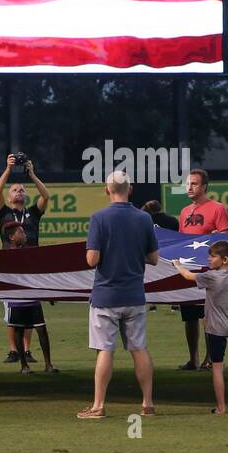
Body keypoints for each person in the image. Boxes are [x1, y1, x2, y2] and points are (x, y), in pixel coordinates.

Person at [77, 170, 159, 419]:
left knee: (105, 351)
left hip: (106, 296)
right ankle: (147, 403)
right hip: (134, 295)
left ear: (106, 189)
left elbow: (92, 259)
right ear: (130, 189)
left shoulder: (99, 218)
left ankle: (99, 405)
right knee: (139, 348)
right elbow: (153, 259)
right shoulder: (144, 218)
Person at [170, 239, 228, 414]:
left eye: (212, 256)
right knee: (217, 362)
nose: (208, 259)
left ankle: (221, 407)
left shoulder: (212, 277)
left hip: (217, 329)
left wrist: (177, 264)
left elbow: (187, 276)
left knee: (217, 367)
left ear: (224, 260)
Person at [0, 155, 51, 363]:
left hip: (31, 267)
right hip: (9, 267)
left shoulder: (33, 214)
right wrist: (8, 170)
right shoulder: (4, 214)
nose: (19, 191)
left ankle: (27, 350)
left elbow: (46, 196)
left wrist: (32, 175)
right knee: (12, 310)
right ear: (10, 197)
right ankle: (13, 350)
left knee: (29, 307)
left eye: (22, 189)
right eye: (15, 190)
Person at [177, 168, 228, 371]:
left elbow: (226, 240)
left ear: (204, 186)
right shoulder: (184, 212)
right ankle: (193, 358)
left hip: (207, 271)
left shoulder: (217, 208)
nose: (189, 187)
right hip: (188, 268)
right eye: (188, 183)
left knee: (206, 316)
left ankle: (210, 358)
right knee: (189, 316)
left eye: (194, 183)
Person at [3, 221, 59, 375]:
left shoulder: (29, 253)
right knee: (19, 330)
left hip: (33, 298)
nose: (24, 235)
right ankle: (24, 365)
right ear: (12, 237)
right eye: (21, 232)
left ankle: (48, 364)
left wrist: (48, 294)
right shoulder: (4, 256)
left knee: (41, 329)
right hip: (16, 300)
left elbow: (38, 274)